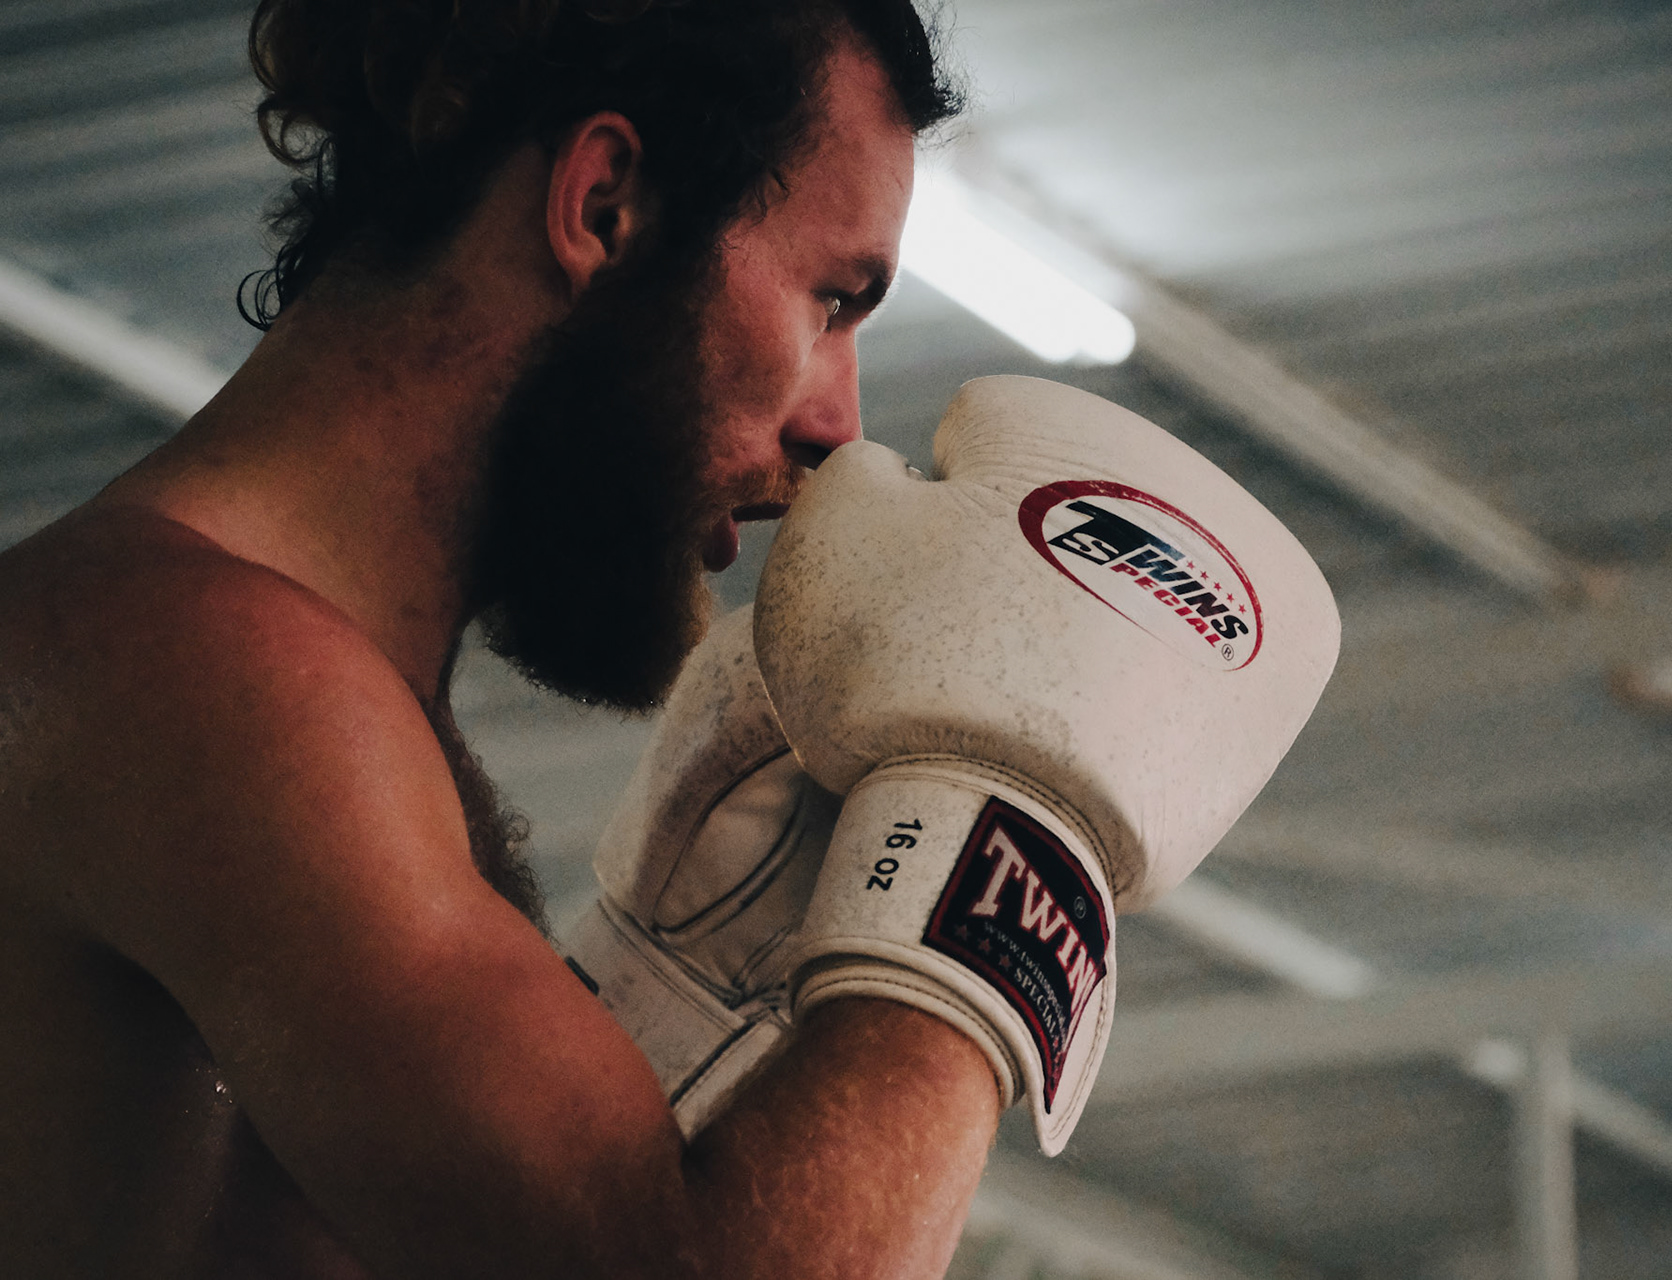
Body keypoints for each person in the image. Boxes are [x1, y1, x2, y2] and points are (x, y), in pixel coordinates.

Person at [0, 1, 1004, 1275]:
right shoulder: (198, 669)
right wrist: (1000, 858)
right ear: (604, 205)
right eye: (831, 300)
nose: (839, 423)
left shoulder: (326, 704)